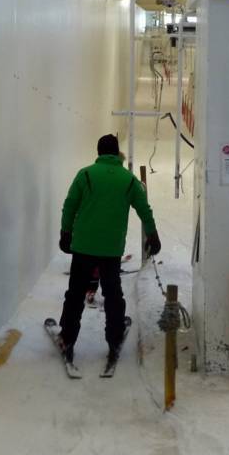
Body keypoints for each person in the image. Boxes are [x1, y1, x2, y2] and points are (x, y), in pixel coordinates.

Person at [57, 134, 161, 364]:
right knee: (113, 295)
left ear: (98, 152)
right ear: (116, 154)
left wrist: (66, 233)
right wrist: (153, 235)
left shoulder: (85, 174)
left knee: (75, 294)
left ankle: (67, 337)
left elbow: (69, 205)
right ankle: (114, 339)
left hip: (83, 246)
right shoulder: (129, 180)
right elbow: (145, 209)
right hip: (111, 249)